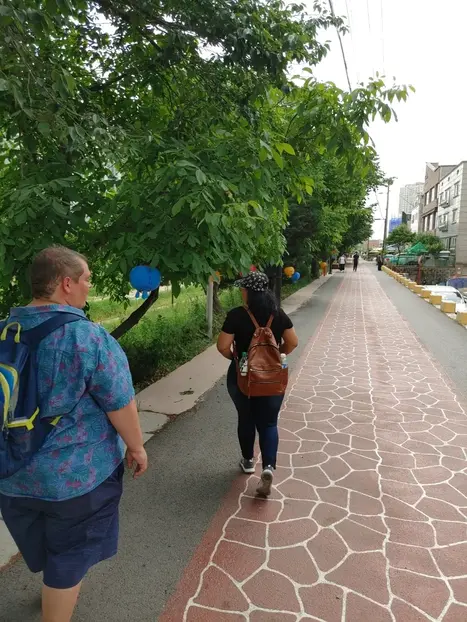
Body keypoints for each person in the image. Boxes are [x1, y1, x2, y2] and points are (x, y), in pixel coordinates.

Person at [0, 246, 147, 622]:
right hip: (77, 481)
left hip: (12, 474)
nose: (88, 286)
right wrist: (136, 447)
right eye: (86, 279)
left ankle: (53, 593)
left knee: (45, 545)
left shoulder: (4, 331)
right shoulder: (87, 338)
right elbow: (120, 404)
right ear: (66, 284)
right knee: (68, 556)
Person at [217, 271, 298, 497]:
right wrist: (276, 355)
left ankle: (248, 461)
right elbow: (293, 342)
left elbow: (222, 346)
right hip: (273, 378)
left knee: (246, 418)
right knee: (269, 423)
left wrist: (235, 358)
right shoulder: (278, 314)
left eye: (242, 289)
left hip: (242, 376)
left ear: (248, 292)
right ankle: (269, 467)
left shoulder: (236, 315)